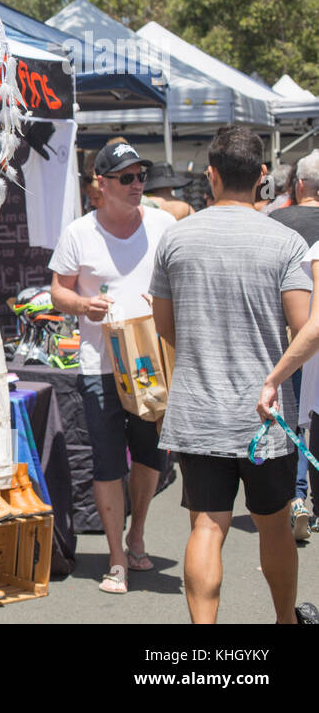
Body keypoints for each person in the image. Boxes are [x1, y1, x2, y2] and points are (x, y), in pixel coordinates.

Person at [150, 126, 314, 624]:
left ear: (211, 174)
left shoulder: (175, 237)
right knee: (275, 528)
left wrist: (204, 350)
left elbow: (163, 325)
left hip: (197, 408)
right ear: (263, 176)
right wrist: (274, 376)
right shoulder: (284, 242)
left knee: (206, 525)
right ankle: (285, 620)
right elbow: (305, 330)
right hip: (264, 418)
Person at [48, 140, 175, 595]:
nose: (137, 184)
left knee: (148, 456)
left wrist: (163, 303)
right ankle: (117, 557)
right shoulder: (79, 233)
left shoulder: (163, 225)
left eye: (141, 175)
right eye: (127, 178)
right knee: (106, 464)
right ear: (101, 184)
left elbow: (181, 278)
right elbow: (57, 290)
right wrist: (83, 303)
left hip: (151, 364)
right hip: (99, 364)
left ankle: (137, 533)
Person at [262, 148, 319, 537]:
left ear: (297, 185)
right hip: (309, 337)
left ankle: (295, 495)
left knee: (294, 416)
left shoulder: (274, 221)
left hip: (287, 336)